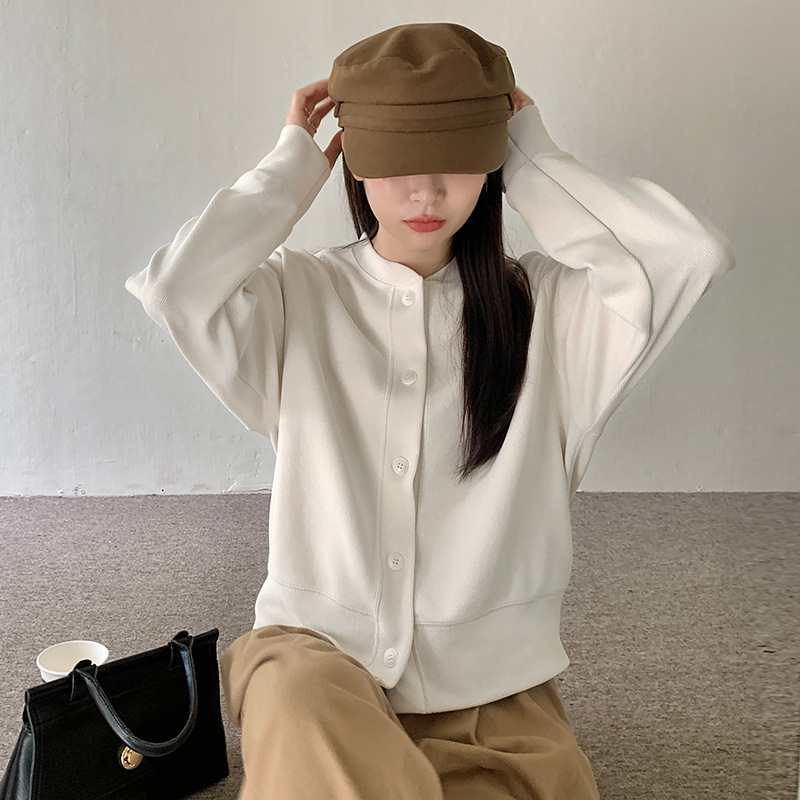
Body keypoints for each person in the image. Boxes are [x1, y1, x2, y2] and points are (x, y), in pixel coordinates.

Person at [124, 22, 735, 800]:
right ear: (355, 160)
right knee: (298, 700)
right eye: (398, 161)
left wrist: (533, 157)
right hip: (319, 661)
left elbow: (687, 257)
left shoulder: (548, 312)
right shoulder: (295, 296)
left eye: (457, 158)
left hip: (494, 699)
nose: (426, 191)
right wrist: (289, 169)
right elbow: (177, 289)